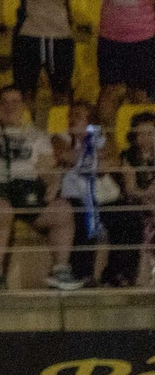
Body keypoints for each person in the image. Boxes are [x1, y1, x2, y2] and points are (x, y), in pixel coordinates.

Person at [0, 85, 79, 291]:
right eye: (5, 102)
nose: (10, 106)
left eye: (16, 101)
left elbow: (46, 166)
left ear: (24, 105)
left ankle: (60, 270)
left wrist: (53, 183)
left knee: (62, 210)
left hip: (28, 188)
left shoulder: (37, 135)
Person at [94, 0, 155, 124]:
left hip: (142, 37)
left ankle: (142, 139)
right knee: (110, 91)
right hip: (111, 36)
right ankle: (107, 138)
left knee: (140, 92)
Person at [57, 101, 124, 287]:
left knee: (127, 216)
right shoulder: (60, 138)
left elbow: (115, 161)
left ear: (90, 121)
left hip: (103, 197)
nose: (71, 119)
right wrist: (99, 161)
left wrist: (84, 160)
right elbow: (64, 156)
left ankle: (117, 274)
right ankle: (83, 275)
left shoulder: (103, 138)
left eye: (77, 115)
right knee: (83, 215)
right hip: (75, 196)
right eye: (70, 115)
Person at [113, 111, 155, 287]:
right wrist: (147, 194)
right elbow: (130, 189)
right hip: (138, 204)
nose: (145, 138)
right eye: (141, 133)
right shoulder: (128, 157)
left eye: (150, 133)